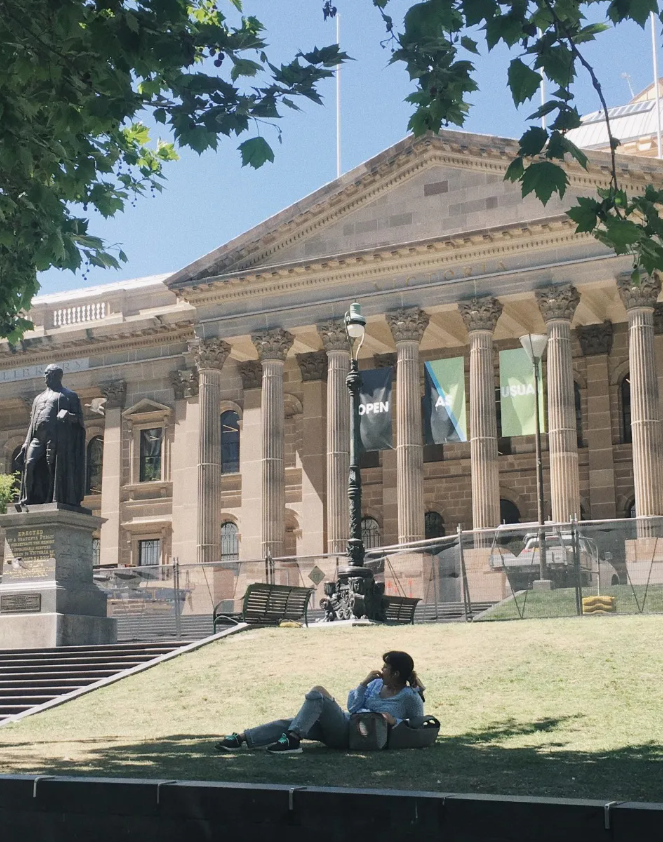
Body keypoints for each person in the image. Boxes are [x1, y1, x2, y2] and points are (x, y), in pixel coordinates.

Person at [215, 650, 426, 755]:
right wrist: (364, 683)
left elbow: (417, 728)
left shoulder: (409, 696)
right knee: (293, 722)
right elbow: (352, 707)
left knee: (318, 692)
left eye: (386, 668)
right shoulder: (375, 685)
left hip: (358, 736)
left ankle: (293, 739)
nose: (382, 670)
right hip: (347, 723)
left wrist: (393, 721)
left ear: (397, 673)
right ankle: (243, 738)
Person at [18, 364, 86, 507]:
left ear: (55, 376)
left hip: (55, 438)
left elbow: (80, 419)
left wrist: (68, 415)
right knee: (30, 463)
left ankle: (52, 497)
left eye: (47, 375)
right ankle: (28, 498)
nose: (45, 378)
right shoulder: (38, 398)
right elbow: (32, 422)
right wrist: (26, 442)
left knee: (52, 468)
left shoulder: (69, 396)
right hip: (37, 439)